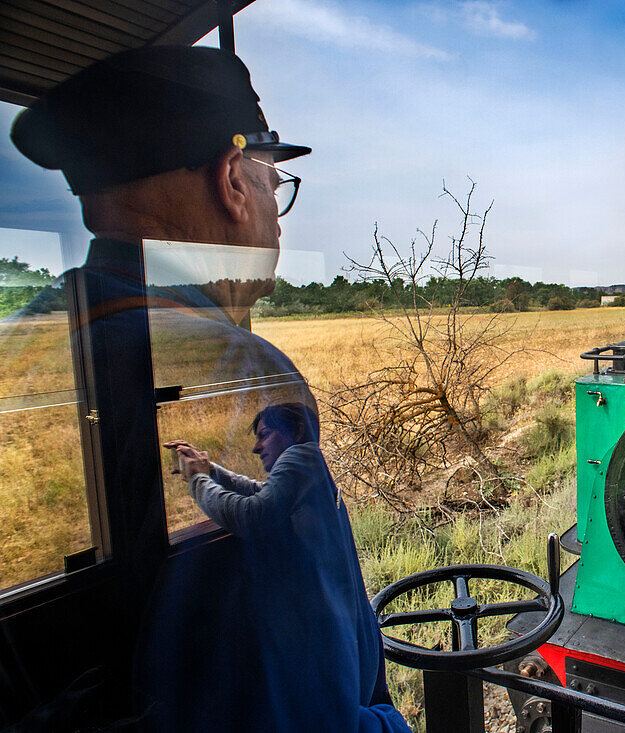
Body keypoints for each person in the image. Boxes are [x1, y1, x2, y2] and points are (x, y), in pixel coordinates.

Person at [9, 46, 409, 731]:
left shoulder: (24, 348)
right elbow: (314, 707)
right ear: (231, 180)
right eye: (273, 185)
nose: (277, 219)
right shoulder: (242, 372)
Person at [164, 404, 409, 732]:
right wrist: (209, 470)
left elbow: (254, 515)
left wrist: (197, 481)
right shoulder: (310, 466)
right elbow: (258, 491)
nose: (256, 446)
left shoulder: (301, 455)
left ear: (296, 431)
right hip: (352, 623)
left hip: (334, 630)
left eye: (265, 434)